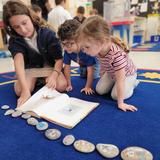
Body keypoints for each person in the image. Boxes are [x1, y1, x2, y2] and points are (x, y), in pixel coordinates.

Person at [3, 0, 67, 107]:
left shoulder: (48, 34)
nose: (23, 30)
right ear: (11, 28)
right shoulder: (15, 40)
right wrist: (25, 90)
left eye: (24, 23)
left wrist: (54, 76)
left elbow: (59, 59)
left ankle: (41, 79)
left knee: (61, 86)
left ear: (31, 17)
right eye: (16, 27)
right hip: (31, 69)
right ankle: (35, 80)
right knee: (19, 91)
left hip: (49, 67)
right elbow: (18, 63)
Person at [76, 16, 139, 112]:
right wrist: (103, 73)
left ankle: (133, 83)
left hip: (126, 75)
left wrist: (120, 103)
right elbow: (103, 63)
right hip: (112, 73)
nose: (84, 51)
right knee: (100, 91)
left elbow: (121, 80)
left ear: (101, 41)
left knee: (115, 96)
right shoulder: (99, 50)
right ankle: (115, 84)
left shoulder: (117, 55)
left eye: (87, 47)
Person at [57, 19, 100, 95]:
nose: (66, 47)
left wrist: (88, 87)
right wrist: (69, 84)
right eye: (63, 44)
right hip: (82, 63)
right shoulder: (67, 50)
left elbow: (90, 70)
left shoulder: (86, 50)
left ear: (80, 40)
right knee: (83, 75)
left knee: (94, 76)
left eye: (70, 43)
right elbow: (67, 68)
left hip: (94, 63)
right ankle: (83, 68)